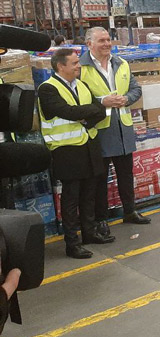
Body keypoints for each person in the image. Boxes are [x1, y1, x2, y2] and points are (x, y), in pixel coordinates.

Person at [39, 48, 112, 258]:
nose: (79, 66)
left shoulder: (81, 85)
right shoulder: (48, 89)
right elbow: (67, 112)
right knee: (71, 199)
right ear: (61, 66)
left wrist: (84, 115)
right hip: (66, 150)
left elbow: (99, 110)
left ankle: (90, 233)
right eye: (74, 63)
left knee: (89, 194)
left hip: (89, 146)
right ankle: (72, 243)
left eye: (78, 62)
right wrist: (86, 112)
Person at [79, 27, 151, 227]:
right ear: (89, 44)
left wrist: (126, 99)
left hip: (122, 128)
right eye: (101, 40)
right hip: (99, 130)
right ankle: (101, 219)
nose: (106, 44)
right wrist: (103, 101)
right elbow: (76, 98)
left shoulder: (121, 63)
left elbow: (136, 88)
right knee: (100, 179)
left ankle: (130, 211)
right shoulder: (81, 68)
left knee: (126, 176)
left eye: (108, 40)